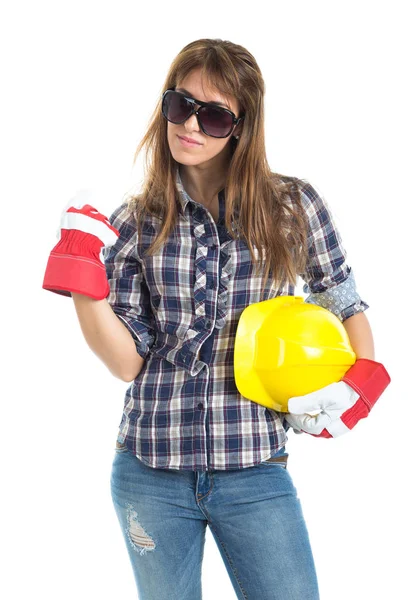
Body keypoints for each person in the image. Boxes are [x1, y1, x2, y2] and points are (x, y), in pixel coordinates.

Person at [44, 38, 379, 599]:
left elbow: (342, 300)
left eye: (215, 115)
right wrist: (84, 283)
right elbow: (128, 362)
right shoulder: (135, 221)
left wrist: (364, 380)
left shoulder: (293, 208)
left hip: (255, 467)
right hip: (149, 470)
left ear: (242, 128)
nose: (191, 125)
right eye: (180, 105)